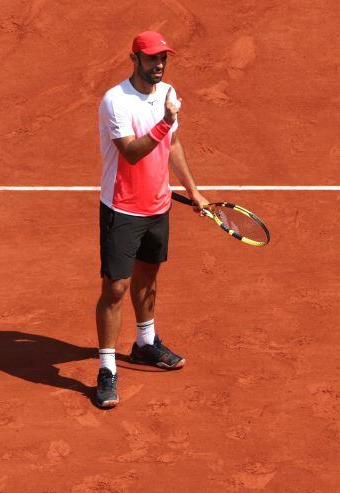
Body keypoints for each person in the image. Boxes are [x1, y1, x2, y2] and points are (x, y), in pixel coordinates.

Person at [94, 31, 209, 408]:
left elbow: (172, 144)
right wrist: (163, 122)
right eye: (151, 59)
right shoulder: (116, 101)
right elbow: (130, 153)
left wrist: (192, 191)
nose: (158, 65)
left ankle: (145, 343)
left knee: (149, 276)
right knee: (116, 288)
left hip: (158, 206)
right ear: (134, 59)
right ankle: (107, 368)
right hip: (123, 209)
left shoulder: (167, 92)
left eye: (163, 58)